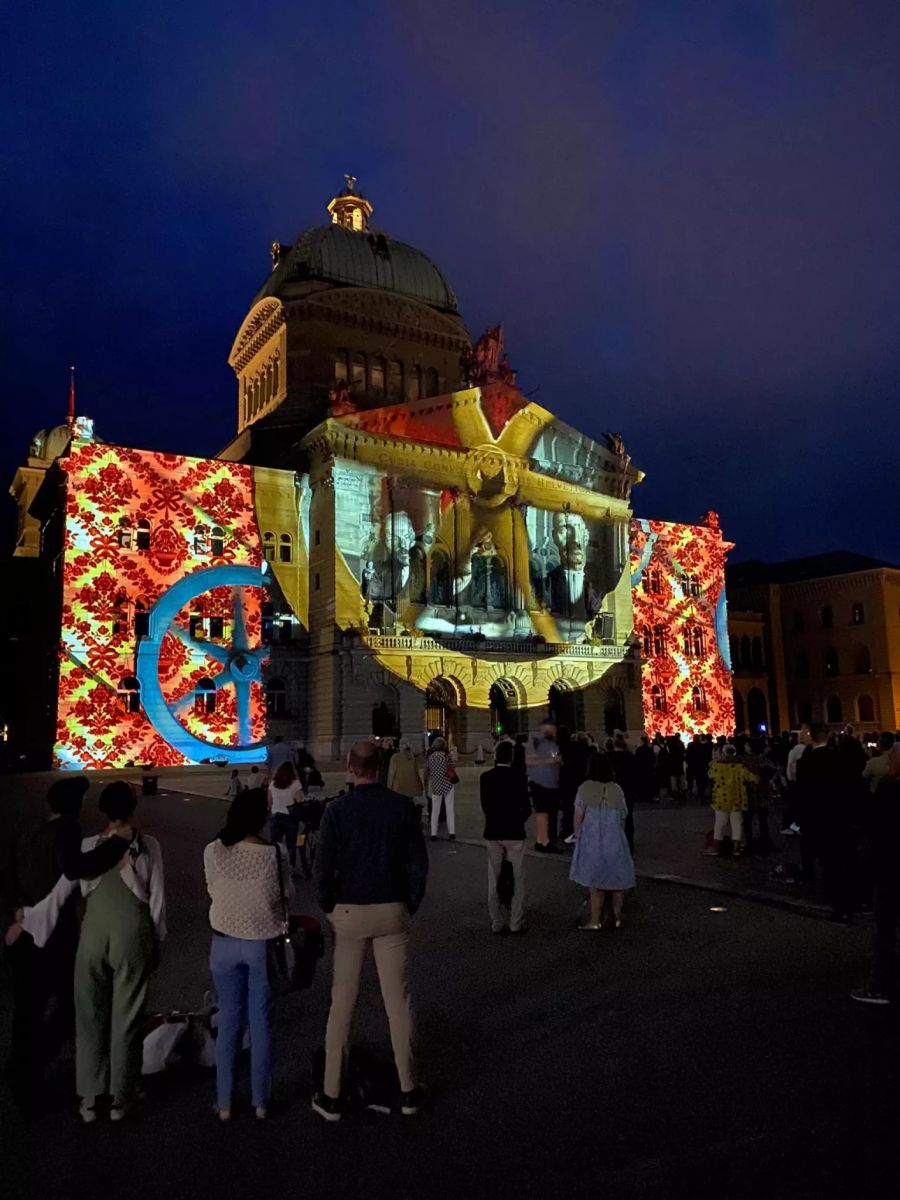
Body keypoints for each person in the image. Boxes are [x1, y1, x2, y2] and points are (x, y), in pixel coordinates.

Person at [19, 781, 165, 1123]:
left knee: (88, 1015)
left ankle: (89, 1098)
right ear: (132, 807)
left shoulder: (86, 846)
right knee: (127, 1017)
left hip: (93, 935)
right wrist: (157, 939)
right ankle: (121, 1096)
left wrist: (25, 920)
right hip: (133, 932)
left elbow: (57, 896)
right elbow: (157, 899)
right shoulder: (147, 845)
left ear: (102, 810)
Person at [312, 741, 428, 1121]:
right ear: (380, 767)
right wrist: (409, 901)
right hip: (392, 908)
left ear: (350, 766)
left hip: (349, 911)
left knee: (342, 1001)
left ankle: (330, 1094)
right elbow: (417, 863)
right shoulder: (401, 808)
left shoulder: (337, 811)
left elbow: (322, 867)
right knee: (398, 1001)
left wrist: (329, 905)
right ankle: (409, 1088)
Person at [3, 778, 130, 1116]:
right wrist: (116, 846)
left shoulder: (29, 831)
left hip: (22, 931)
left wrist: (16, 911)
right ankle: (33, 1075)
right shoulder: (67, 831)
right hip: (52, 939)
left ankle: (22, 1068)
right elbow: (76, 868)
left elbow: (10, 875)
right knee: (71, 1004)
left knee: (26, 1012)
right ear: (74, 806)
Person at [204, 788, 293, 1121]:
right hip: (261, 943)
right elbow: (286, 895)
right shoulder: (275, 853)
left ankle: (224, 1102)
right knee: (260, 1023)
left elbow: (214, 890)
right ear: (261, 818)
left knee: (228, 1021)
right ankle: (260, 1101)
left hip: (223, 942)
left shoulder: (213, 851)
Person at [852, 747, 900, 1004]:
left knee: (885, 930)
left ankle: (879, 986)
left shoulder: (888, 790)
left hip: (889, 867)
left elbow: (870, 821)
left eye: (890, 759)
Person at [569, 751, 635, 929]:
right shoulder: (616, 789)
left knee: (595, 882)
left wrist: (577, 835)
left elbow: (578, 815)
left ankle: (595, 920)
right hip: (614, 837)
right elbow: (623, 815)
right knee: (617, 880)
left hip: (592, 838)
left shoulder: (584, 788)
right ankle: (618, 917)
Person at [796, 723, 854, 922]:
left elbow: (803, 794)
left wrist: (802, 820)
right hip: (841, 818)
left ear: (812, 736)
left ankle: (839, 908)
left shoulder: (807, 761)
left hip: (818, 820)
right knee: (845, 861)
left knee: (829, 864)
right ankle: (851, 903)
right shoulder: (841, 757)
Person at [480, 740, 531, 935]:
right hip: (514, 832)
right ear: (511, 757)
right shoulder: (519, 777)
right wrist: (516, 820)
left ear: (495, 756)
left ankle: (497, 921)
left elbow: (485, 806)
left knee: (494, 877)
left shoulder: (486, 778)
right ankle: (516, 922)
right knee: (518, 878)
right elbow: (526, 808)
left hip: (493, 831)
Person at [706, 745, 756, 856]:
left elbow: (710, 776)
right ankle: (736, 848)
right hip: (737, 798)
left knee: (719, 823)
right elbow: (752, 778)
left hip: (721, 799)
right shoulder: (740, 767)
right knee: (737, 823)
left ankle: (715, 847)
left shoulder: (716, 767)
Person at [527, 722, 562, 852]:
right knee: (545, 813)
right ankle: (544, 842)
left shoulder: (551, 745)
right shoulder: (539, 745)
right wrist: (550, 761)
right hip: (541, 786)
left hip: (548, 785)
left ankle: (545, 841)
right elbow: (530, 761)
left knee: (548, 814)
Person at [268, 760, 303, 873]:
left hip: (276, 815)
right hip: (290, 817)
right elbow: (299, 800)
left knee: (275, 843)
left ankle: (275, 866)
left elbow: (269, 799)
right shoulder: (296, 784)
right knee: (291, 844)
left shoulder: (273, 783)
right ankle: (290, 868)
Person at [424, 736, 456, 841]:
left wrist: (426, 786)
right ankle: (452, 833)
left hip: (436, 785)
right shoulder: (446, 756)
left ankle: (434, 833)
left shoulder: (430, 757)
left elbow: (427, 773)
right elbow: (452, 769)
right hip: (447, 785)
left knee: (435, 811)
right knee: (449, 809)